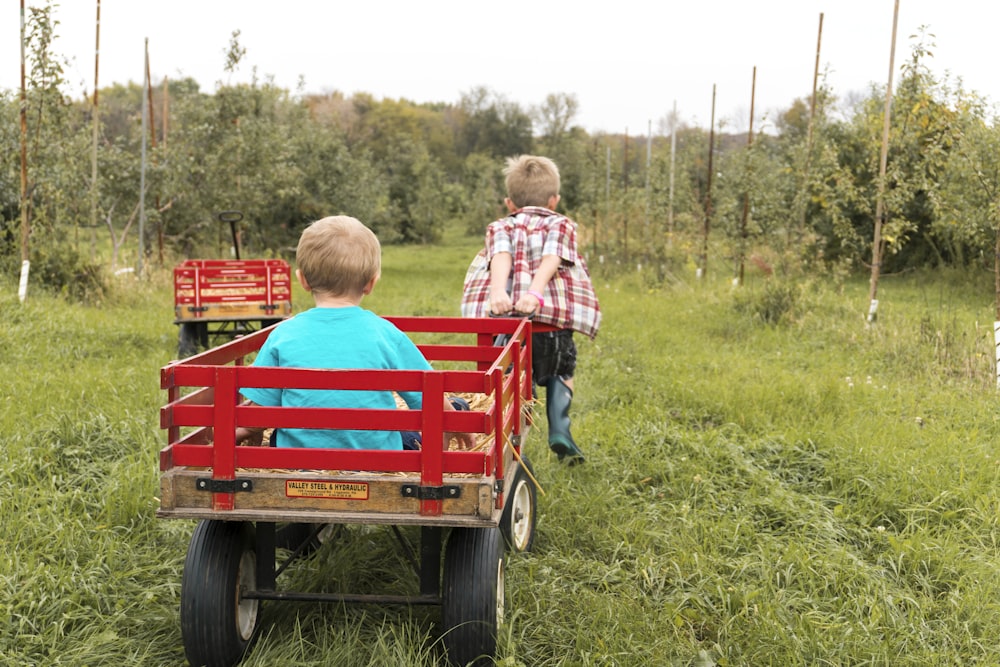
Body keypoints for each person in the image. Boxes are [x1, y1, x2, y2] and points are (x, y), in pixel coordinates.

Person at [237, 215, 474, 451]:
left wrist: (241, 432)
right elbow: (427, 392)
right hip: (379, 461)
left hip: (297, 462)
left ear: (302, 280)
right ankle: (459, 405)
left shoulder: (283, 334)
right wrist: (453, 422)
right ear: (371, 283)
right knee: (422, 424)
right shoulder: (385, 334)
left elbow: (259, 413)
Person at [461, 155, 601, 464]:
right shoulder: (563, 223)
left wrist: (499, 292)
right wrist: (536, 295)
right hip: (551, 327)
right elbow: (553, 257)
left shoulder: (500, 226)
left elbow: (500, 256)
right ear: (554, 200)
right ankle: (560, 429)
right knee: (561, 371)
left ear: (509, 203)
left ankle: (507, 437)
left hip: (510, 328)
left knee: (508, 379)